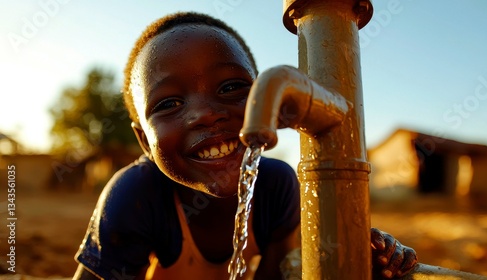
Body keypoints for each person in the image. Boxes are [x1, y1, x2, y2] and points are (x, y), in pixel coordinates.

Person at [73, 12, 417, 280]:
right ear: (144, 141)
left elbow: (277, 273)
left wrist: (357, 260)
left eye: (230, 87)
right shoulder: (136, 194)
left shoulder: (276, 184)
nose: (205, 114)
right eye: (168, 104)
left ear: (262, 99)